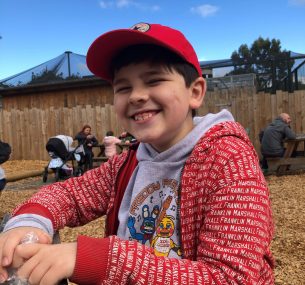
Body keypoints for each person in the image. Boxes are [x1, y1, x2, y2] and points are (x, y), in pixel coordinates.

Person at [0, 23, 274, 284]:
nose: (136, 96)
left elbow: (230, 278)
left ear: (195, 92)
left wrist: (96, 259)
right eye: (123, 87)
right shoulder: (129, 162)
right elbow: (70, 194)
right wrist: (30, 221)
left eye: (154, 80)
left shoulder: (228, 161)